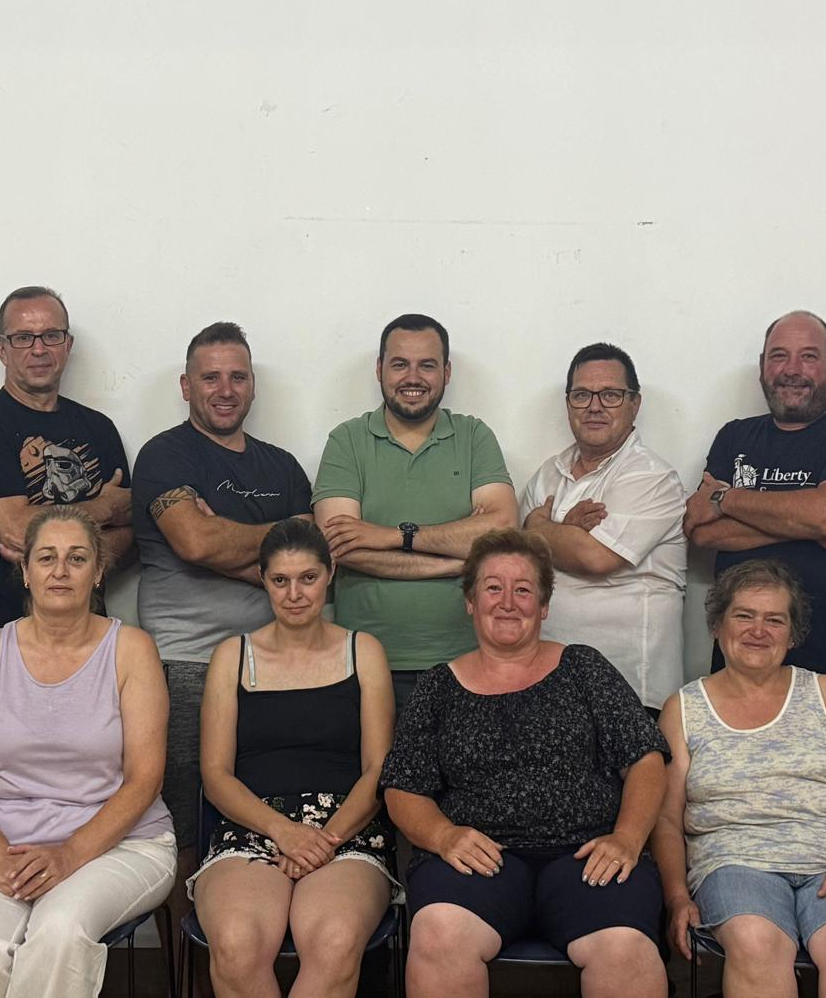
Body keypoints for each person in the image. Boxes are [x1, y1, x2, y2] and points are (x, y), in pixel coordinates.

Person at [381, 528, 670, 998]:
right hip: (478, 859)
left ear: (544, 605)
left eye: (523, 590)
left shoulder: (584, 668)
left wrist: (628, 838)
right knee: (439, 934)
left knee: (624, 949)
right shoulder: (437, 687)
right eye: (493, 588)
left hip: (586, 854)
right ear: (470, 602)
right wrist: (443, 835)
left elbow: (645, 758)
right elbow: (403, 786)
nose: (507, 602)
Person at [0, 507, 177, 998]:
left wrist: (69, 855)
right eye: (46, 558)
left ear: (98, 571)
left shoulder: (132, 649)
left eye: (77, 558)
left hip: (119, 843)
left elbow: (145, 780)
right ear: (25, 570)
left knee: (58, 934)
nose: (60, 570)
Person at [130, 322, 314, 928]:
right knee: (182, 822)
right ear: (186, 386)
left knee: (271, 812)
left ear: (253, 385)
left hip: (276, 667)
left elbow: (312, 564)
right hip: (186, 665)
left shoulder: (282, 465)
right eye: (210, 377)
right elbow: (195, 541)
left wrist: (227, 540)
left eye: (237, 376)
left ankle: (250, 941)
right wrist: (277, 547)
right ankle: (186, 968)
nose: (225, 389)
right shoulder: (165, 455)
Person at [652, 559, 826, 998]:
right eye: (744, 615)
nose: (758, 630)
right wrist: (676, 899)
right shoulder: (684, 707)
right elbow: (668, 818)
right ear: (717, 626)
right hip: (735, 863)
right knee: (756, 941)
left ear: (793, 634)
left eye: (774, 620)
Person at [191, 518, 396, 998]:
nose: (295, 594)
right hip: (251, 827)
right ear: (263, 580)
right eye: (280, 580)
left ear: (330, 574)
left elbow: (378, 770)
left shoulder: (363, 651)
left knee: (334, 940)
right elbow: (215, 775)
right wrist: (284, 832)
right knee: (237, 944)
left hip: (345, 831)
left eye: (308, 578)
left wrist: (323, 841)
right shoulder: (232, 655)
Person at [684, 311, 826, 729]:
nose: (792, 370)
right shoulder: (735, 436)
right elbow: (702, 531)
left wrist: (725, 498)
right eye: (779, 356)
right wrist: (814, 531)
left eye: (809, 357)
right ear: (762, 366)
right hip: (738, 667)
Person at [313, 313, 515, 709]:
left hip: (469, 661)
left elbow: (503, 530)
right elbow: (341, 546)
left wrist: (393, 535)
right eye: (400, 364)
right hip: (366, 663)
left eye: (427, 365)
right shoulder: (347, 441)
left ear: (447, 372)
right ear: (379, 369)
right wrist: (456, 562)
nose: (413, 377)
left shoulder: (474, 436)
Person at [0, 286, 133, 646]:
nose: (38, 349)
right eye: (22, 338)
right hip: (0, 640)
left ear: (68, 344)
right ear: (1, 350)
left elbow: (132, 535)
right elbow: (16, 529)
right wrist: (103, 509)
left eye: (51, 335)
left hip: (89, 639)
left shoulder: (99, 428)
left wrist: (46, 551)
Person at [519, 342, 687, 714]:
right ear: (568, 404)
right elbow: (520, 562)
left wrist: (537, 525)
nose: (594, 406)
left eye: (610, 395)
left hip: (630, 691)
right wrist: (564, 531)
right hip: (545, 688)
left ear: (635, 404)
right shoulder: (547, 474)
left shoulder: (652, 477)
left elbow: (594, 558)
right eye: (581, 395)